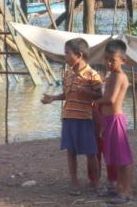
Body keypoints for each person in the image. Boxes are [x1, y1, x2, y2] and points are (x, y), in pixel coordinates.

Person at [41, 38, 102, 196]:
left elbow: (99, 95)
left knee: (91, 152)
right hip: (68, 117)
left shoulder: (92, 75)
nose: (65, 56)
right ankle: (74, 182)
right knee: (71, 151)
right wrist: (53, 98)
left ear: (79, 55)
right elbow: (67, 95)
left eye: (67, 53)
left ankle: (96, 183)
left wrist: (86, 92)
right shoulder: (67, 74)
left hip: (84, 118)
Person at [92, 40, 133, 203]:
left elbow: (110, 99)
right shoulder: (112, 76)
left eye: (112, 60)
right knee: (116, 157)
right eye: (106, 59)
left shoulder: (119, 76)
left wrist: (96, 101)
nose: (108, 63)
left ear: (123, 60)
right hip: (109, 120)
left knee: (124, 158)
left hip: (116, 119)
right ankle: (119, 188)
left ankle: (127, 191)